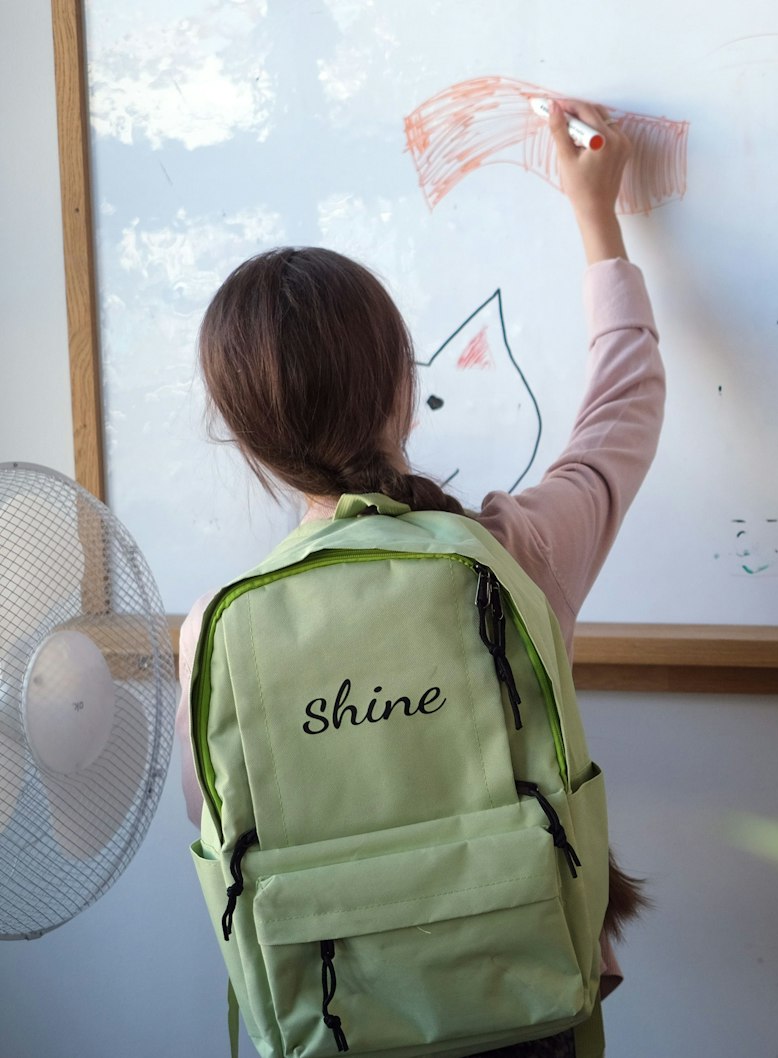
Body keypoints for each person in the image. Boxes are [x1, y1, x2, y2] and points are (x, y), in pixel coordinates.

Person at [174, 98, 661, 1056]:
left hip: (334, 1024)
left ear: (244, 439)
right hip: (529, 1010)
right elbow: (624, 410)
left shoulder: (212, 633)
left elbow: (227, 847)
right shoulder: (509, 555)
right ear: (406, 382)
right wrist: (598, 219)